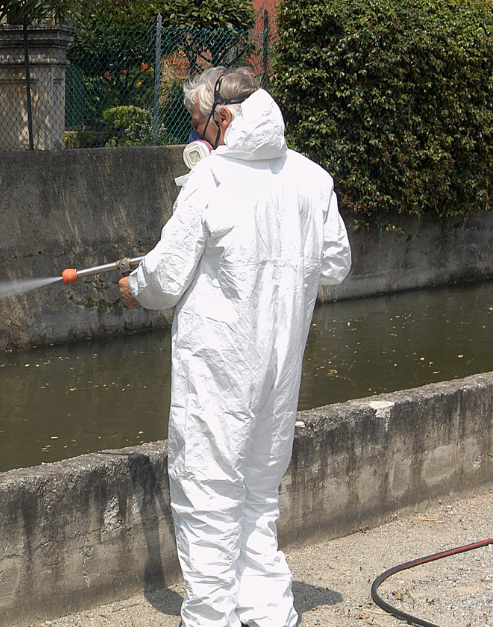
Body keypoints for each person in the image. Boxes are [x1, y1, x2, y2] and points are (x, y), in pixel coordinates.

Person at [116, 66, 352, 627]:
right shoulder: (312, 179)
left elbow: (165, 281)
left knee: (207, 495)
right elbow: (337, 265)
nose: (197, 137)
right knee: (257, 497)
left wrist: (134, 287)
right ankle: (270, 614)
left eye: (199, 123)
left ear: (225, 117)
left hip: (219, 368)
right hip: (279, 369)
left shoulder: (212, 180)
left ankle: (211, 618)